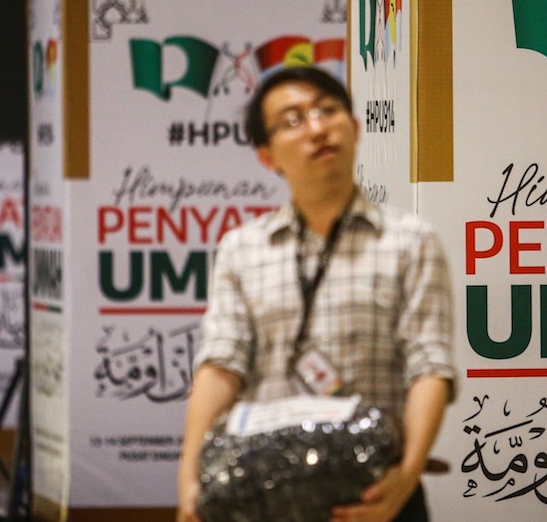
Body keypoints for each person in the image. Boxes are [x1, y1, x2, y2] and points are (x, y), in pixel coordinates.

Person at [177, 66, 456, 522]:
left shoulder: (411, 242)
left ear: (355, 127)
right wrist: (189, 481)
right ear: (268, 156)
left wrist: (404, 481)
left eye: (328, 110)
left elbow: (430, 367)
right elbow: (220, 365)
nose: (317, 127)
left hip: (372, 494)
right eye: (293, 119)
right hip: (265, 494)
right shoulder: (243, 249)